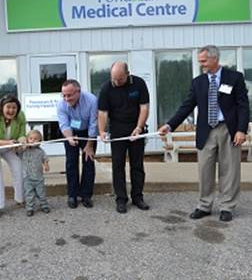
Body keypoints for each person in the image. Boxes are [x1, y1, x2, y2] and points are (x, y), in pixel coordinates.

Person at [159, 45, 250, 222]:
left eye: (204, 61)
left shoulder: (235, 77)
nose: (201, 64)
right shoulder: (198, 82)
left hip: (228, 129)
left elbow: (243, 105)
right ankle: (204, 205)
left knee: (229, 170)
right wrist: (170, 125)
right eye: (200, 61)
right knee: (205, 169)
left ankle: (226, 206)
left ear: (215, 59)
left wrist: (241, 129)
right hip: (206, 130)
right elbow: (187, 106)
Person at [97, 62, 150, 214]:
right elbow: (102, 112)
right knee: (118, 165)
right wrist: (101, 131)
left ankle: (138, 197)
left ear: (128, 74)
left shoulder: (139, 84)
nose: (116, 82)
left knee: (137, 165)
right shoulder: (107, 88)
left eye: (120, 79)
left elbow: (144, 107)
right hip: (117, 130)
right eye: (114, 78)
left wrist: (139, 127)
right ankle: (121, 199)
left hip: (136, 129)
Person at [57, 79, 97, 209]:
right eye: (64, 95)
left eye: (69, 95)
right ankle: (72, 195)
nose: (66, 98)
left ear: (78, 92)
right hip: (71, 131)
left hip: (88, 132)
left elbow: (93, 124)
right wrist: (69, 138)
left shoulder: (91, 100)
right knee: (71, 162)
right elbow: (64, 124)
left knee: (88, 161)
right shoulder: (61, 104)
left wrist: (89, 145)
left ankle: (86, 195)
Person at [21, 129, 50, 217]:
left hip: (38, 177)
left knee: (41, 193)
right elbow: (17, 149)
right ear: (27, 139)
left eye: (35, 139)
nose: (32, 141)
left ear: (40, 141)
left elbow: (45, 159)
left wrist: (46, 165)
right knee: (29, 193)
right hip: (27, 177)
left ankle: (44, 205)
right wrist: (23, 144)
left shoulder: (41, 151)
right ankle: (30, 208)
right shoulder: (24, 150)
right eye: (30, 138)